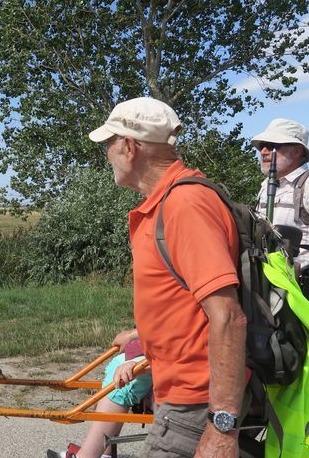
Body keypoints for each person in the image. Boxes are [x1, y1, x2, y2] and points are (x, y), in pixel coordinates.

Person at [88, 97, 247, 458]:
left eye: (109, 145)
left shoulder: (184, 205)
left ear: (129, 146)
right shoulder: (167, 203)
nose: (107, 155)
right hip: (178, 394)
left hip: (196, 403)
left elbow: (228, 316)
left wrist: (222, 427)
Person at [251, 119, 309, 318]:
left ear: (297, 151)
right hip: (278, 288)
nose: (263, 152)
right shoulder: (266, 186)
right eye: (261, 146)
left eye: (272, 146)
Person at [48, 328, 153, 458]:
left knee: (122, 383)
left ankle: (87, 456)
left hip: (164, 355)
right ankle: (104, 453)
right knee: (118, 371)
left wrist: (132, 335)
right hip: (153, 348)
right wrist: (134, 334)